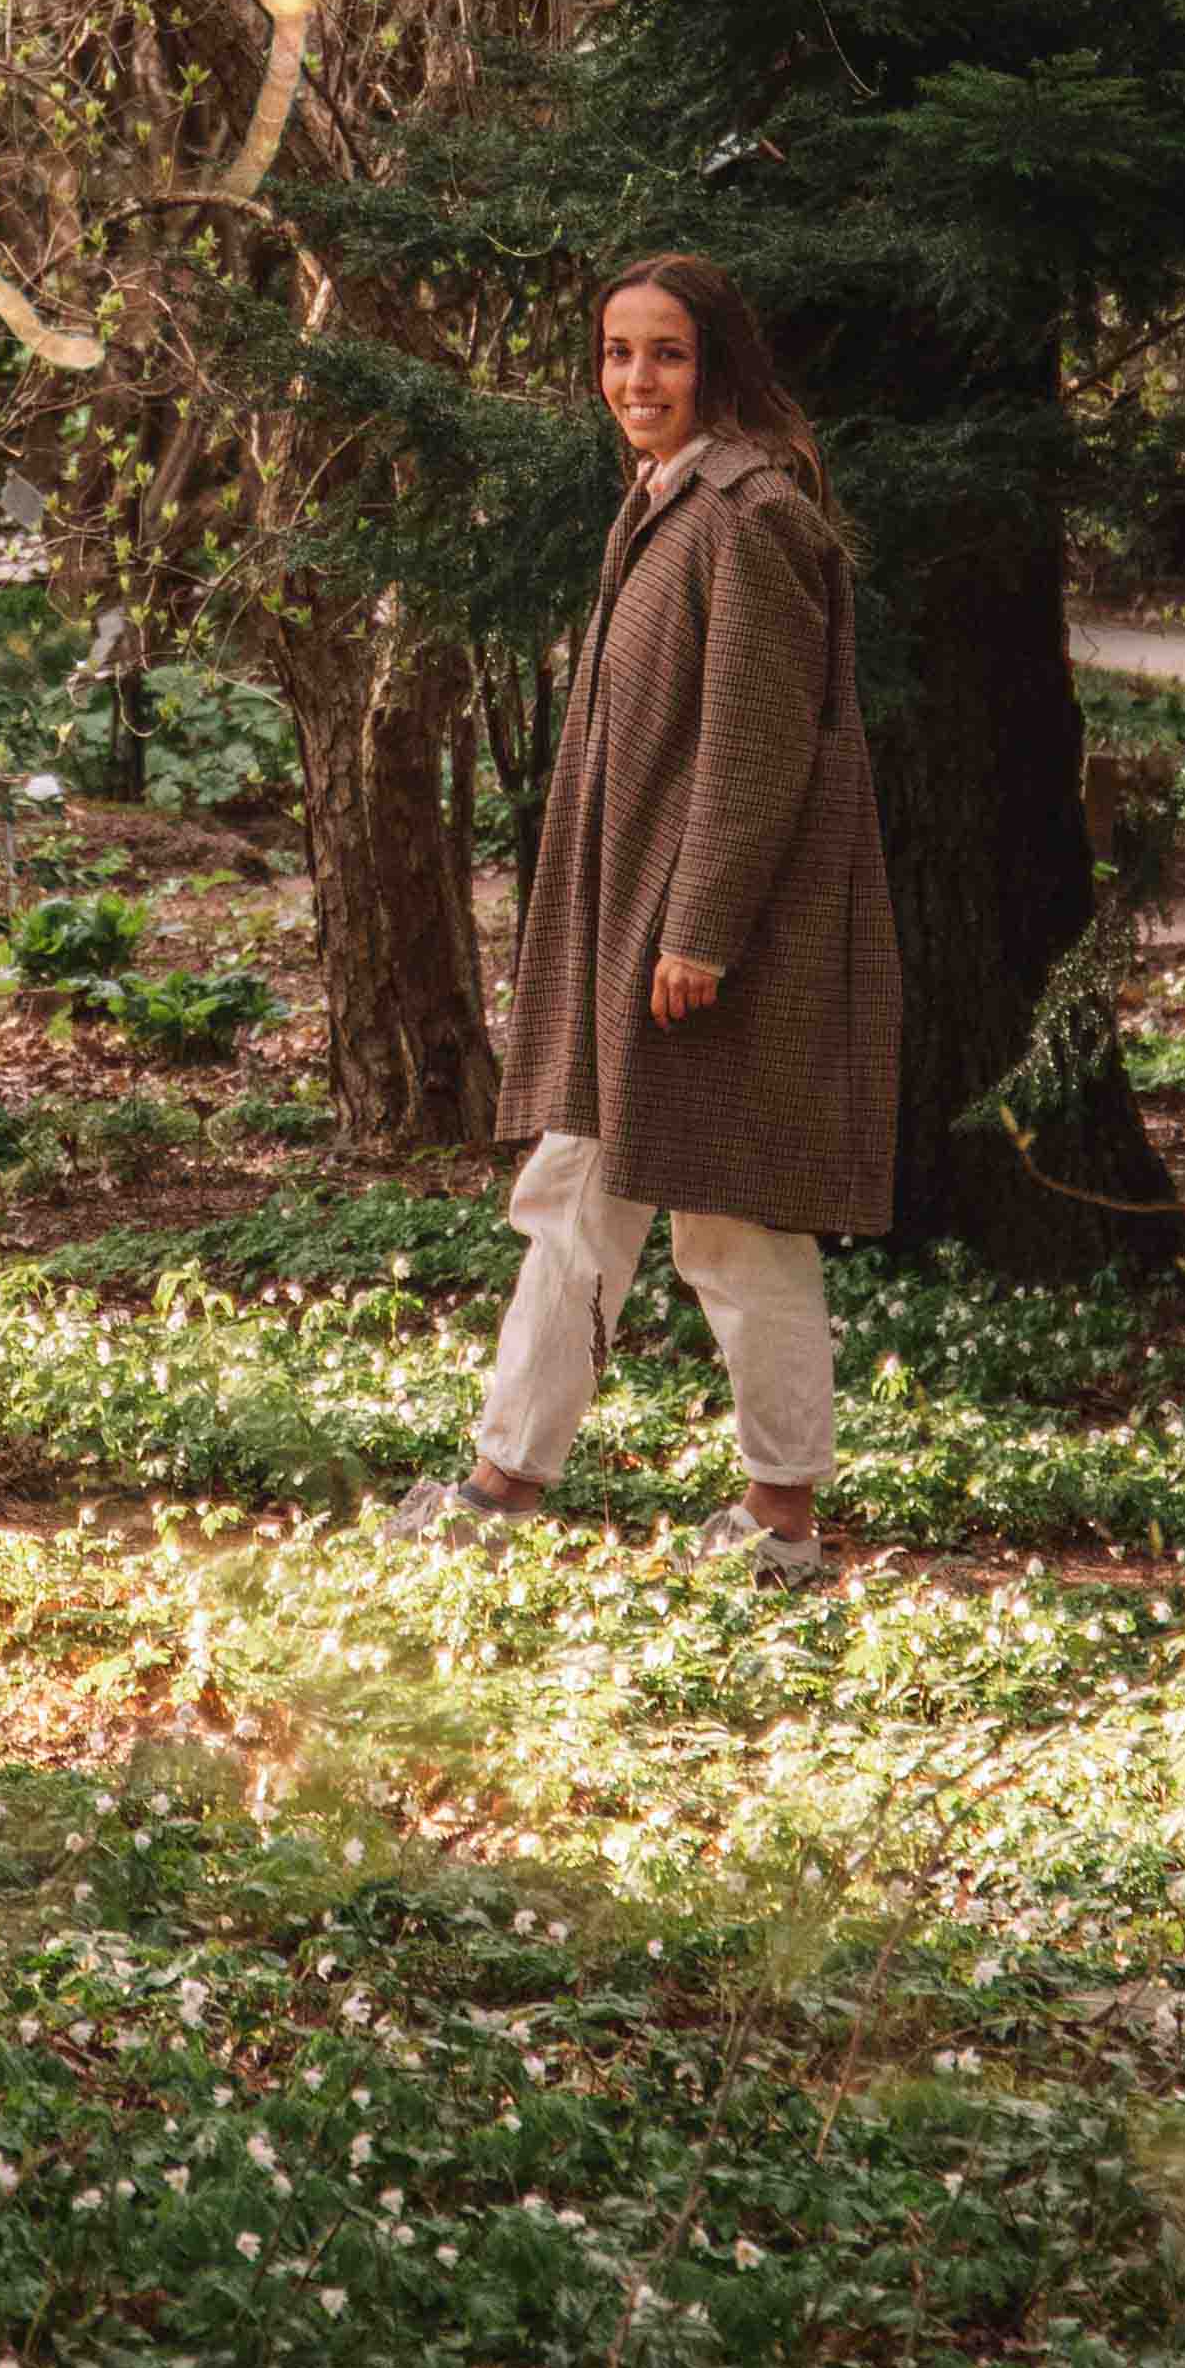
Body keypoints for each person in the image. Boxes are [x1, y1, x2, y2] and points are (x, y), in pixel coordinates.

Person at [394, 253, 903, 1585]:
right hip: (645, 936)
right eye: (617, 353)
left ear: (717, 363)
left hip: (708, 951)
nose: (635, 380)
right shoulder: (670, 504)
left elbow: (754, 748)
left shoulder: (751, 514)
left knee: (733, 1225)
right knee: (579, 1196)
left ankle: (782, 1520)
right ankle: (506, 1484)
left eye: (665, 354)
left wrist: (703, 932)